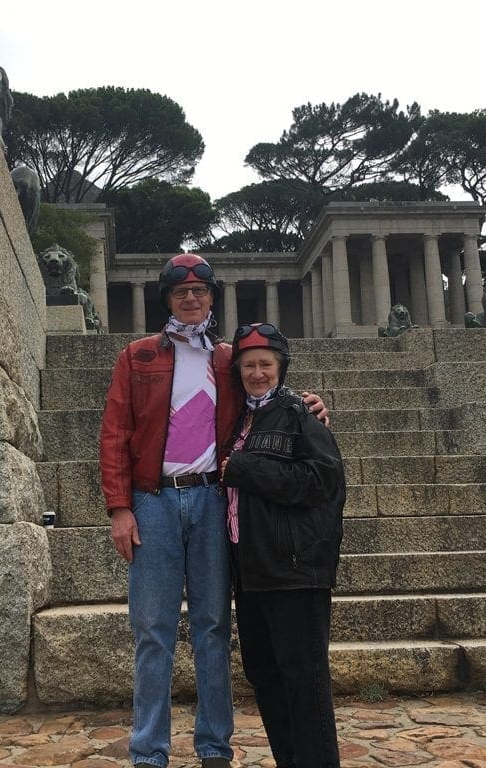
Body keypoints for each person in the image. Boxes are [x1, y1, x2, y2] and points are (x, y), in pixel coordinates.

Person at [99, 253, 326, 768]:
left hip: (212, 499)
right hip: (151, 501)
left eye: (201, 290)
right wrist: (118, 508)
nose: (192, 298)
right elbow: (114, 434)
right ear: (169, 298)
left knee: (213, 627)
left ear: (211, 298)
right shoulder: (136, 357)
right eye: (182, 292)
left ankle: (214, 747)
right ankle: (149, 750)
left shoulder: (227, 359)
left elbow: (264, 389)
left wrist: (307, 407)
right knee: (152, 629)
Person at [220, 322, 346, 768]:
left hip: (294, 569)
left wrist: (245, 469)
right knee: (265, 674)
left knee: (304, 680)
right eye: (249, 365)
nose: (257, 373)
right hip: (251, 570)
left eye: (265, 365)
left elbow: (323, 481)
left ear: (281, 367)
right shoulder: (238, 417)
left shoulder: (300, 413)